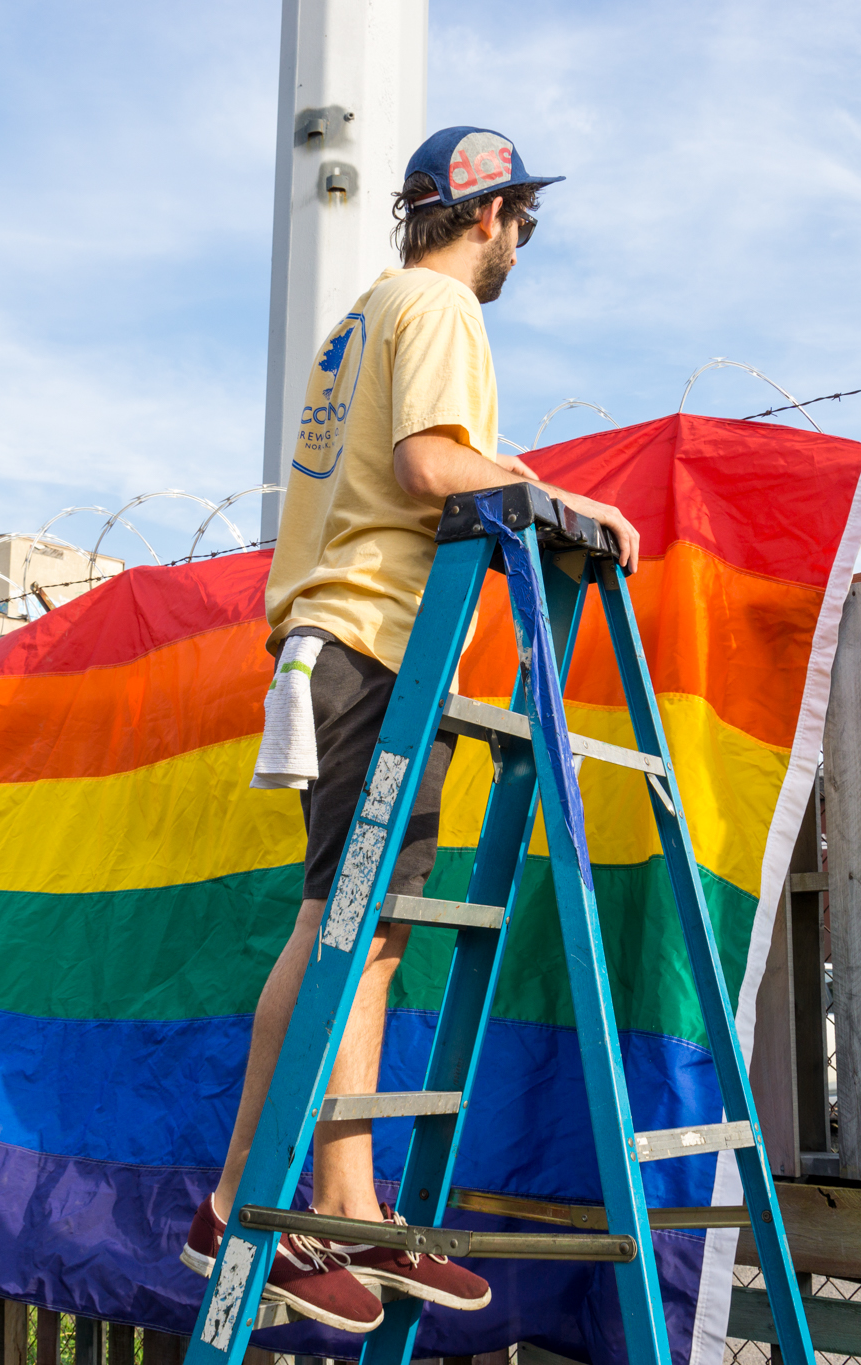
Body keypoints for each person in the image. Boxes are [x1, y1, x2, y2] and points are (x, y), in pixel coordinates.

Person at [180, 126, 641, 1334]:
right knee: (337, 921)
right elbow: (431, 464)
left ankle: (345, 1207)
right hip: (375, 645)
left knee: (369, 932)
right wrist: (563, 498)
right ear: (488, 218)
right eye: (521, 224)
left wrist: (517, 470)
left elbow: (416, 462)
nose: (518, 246)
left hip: (350, 645)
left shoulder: (369, 313)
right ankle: (233, 1203)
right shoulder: (442, 311)